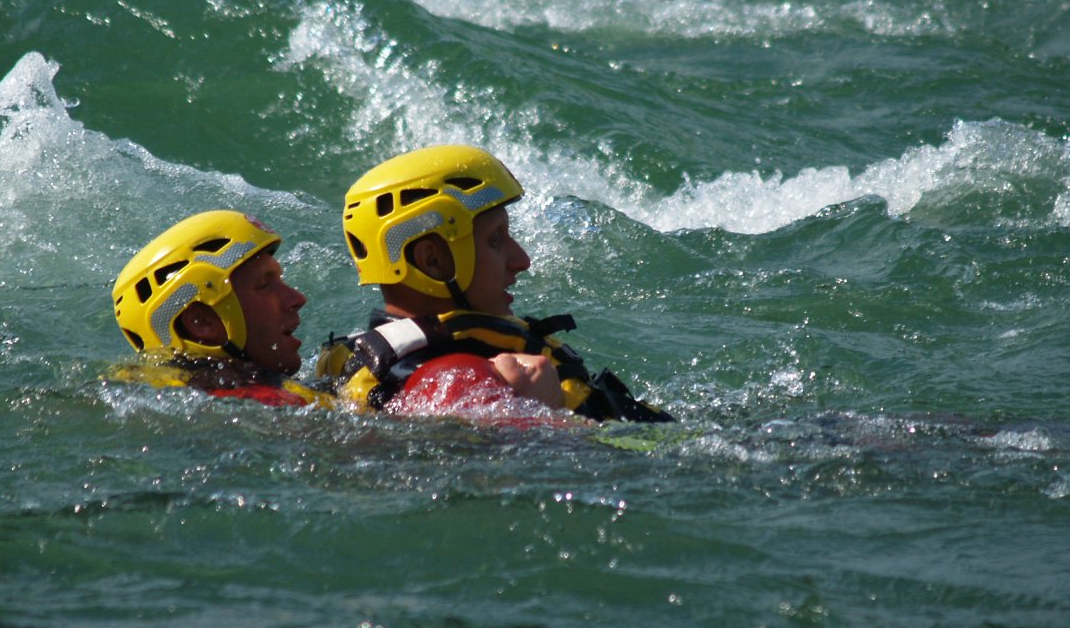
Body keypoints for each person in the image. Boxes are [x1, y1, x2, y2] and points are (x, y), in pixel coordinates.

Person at [318, 145, 672, 422]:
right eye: (495, 240)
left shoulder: (376, 363)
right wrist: (544, 413)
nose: (522, 261)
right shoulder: (456, 381)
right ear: (432, 261)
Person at [111, 210, 329, 407]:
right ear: (201, 322)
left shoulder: (144, 389)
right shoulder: (257, 402)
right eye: (264, 285)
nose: (297, 299)